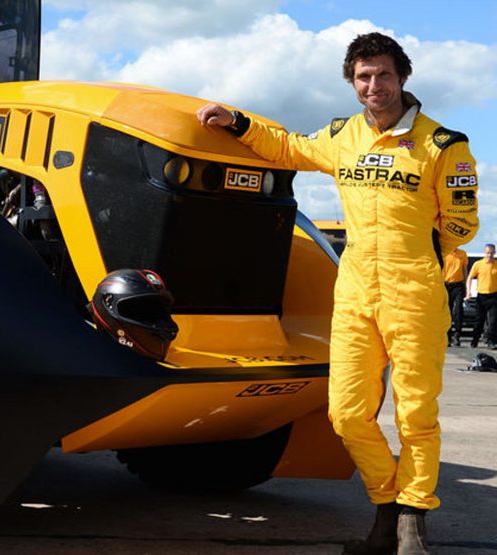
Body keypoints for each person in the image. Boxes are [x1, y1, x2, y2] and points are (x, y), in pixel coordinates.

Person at [197, 32, 479, 555]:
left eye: (384, 75)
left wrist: (424, 258)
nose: (374, 85)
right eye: (364, 76)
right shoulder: (341, 136)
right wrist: (238, 123)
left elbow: (461, 225)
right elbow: (288, 148)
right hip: (353, 294)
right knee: (346, 414)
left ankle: (411, 522)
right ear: (353, 83)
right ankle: (389, 502)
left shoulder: (444, 145)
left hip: (414, 292)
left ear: (403, 78)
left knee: (416, 413)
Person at [467, 244, 497, 349]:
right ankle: (474, 340)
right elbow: (470, 277)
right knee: (479, 321)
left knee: (493, 321)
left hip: (493, 296)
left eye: (492, 253)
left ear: (494, 252)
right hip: (481, 296)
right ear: (485, 253)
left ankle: (491, 341)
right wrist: (468, 292)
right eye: (488, 252)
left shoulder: (496, 265)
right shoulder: (478, 264)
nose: (489, 255)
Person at [444, 248, 469, 346]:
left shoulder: (462, 254)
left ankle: (457, 336)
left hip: (458, 285)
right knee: (447, 312)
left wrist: (466, 287)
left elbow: (465, 270)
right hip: (446, 285)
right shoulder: (445, 253)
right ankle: (447, 337)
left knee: (458, 311)